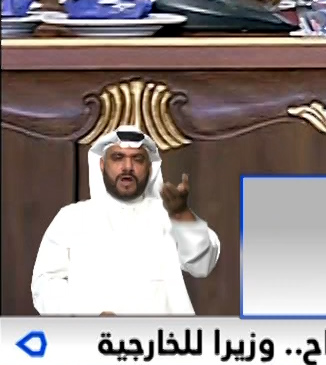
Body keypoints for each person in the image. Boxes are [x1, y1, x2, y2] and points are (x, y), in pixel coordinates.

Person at [31, 126, 220, 315]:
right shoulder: (72, 218)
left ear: (150, 167)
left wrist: (182, 215)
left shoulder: (167, 215)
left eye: (137, 159)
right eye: (118, 157)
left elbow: (202, 265)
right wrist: (88, 316)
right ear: (102, 165)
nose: (128, 166)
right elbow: (45, 283)